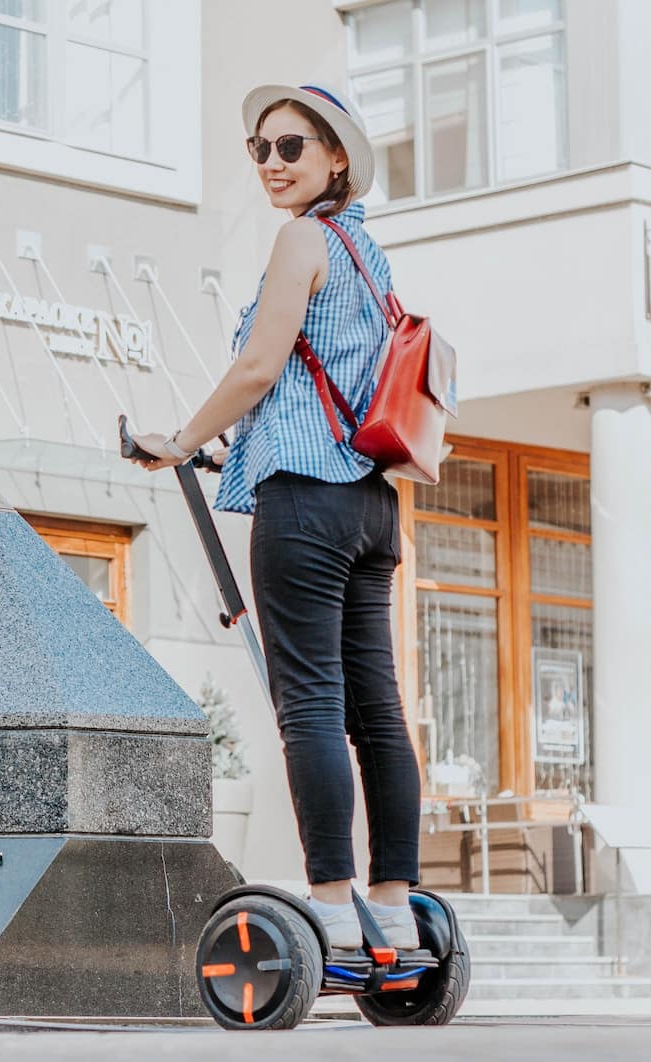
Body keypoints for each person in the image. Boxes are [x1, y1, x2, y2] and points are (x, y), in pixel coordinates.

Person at [131, 84, 421, 951]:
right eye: (259, 149)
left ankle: (332, 903)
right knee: (378, 710)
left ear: (337, 158)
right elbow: (311, 385)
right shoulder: (369, 258)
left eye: (290, 148)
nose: (271, 165)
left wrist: (183, 439)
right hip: (372, 506)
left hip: (307, 504)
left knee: (312, 708)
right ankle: (396, 909)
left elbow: (260, 366)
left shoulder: (301, 239)